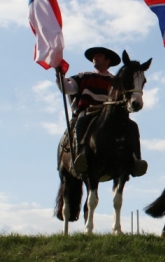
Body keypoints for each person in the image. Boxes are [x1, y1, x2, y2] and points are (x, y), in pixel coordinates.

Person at [56, 47, 147, 176]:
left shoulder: (116, 81)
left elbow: (124, 98)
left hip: (110, 114)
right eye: (94, 57)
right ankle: (80, 154)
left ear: (107, 61)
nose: (95, 58)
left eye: (98, 56)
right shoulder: (84, 75)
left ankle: (136, 159)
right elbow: (67, 88)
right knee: (80, 122)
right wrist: (59, 74)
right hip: (88, 111)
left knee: (133, 126)